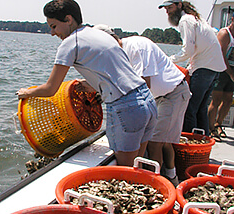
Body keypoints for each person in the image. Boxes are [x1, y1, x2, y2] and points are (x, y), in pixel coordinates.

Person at [16, 0, 158, 167]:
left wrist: (27, 93)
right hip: (148, 102)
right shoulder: (99, 34)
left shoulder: (69, 43)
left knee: (126, 171)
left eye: (54, 26)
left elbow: (50, 89)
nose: (52, 33)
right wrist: (93, 84)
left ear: (68, 20)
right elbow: (118, 72)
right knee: (138, 166)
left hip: (127, 108)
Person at [94, 24, 191, 186]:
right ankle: (170, 178)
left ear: (111, 40)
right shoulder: (118, 55)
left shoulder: (136, 46)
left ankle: (158, 185)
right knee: (162, 141)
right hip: (156, 97)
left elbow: (141, 85)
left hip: (172, 94)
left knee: (155, 142)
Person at [159, 0, 227, 136]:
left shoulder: (185, 20)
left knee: (189, 108)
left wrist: (167, 60)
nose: (168, 11)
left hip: (204, 68)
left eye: (170, 8)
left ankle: (188, 144)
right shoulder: (197, 19)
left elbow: (187, 51)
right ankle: (202, 140)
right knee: (201, 108)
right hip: (214, 68)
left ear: (179, 5)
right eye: (166, 9)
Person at [208, 13, 234, 141]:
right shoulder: (225, 34)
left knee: (228, 100)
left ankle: (219, 124)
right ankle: (211, 128)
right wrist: (230, 73)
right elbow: (221, 55)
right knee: (216, 100)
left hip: (232, 71)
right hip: (222, 70)